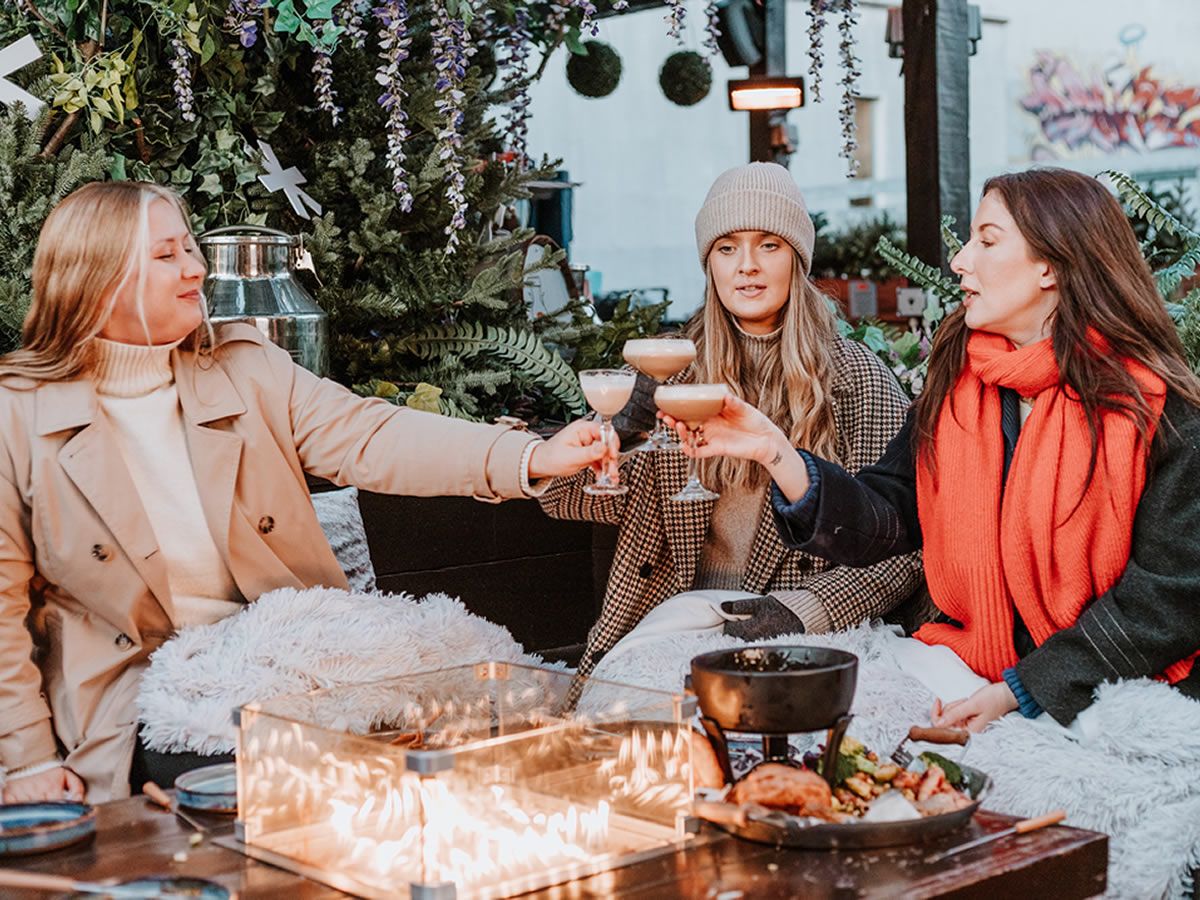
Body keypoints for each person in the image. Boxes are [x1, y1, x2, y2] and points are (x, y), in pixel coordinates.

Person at [0, 181, 612, 803]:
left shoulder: (244, 365)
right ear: (97, 276)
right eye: (166, 256)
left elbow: (369, 435)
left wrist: (531, 455)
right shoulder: (17, 415)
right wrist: (25, 763)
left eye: (189, 246)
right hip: (145, 704)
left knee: (494, 736)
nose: (195, 268)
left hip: (292, 667)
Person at [672, 167, 1200, 732]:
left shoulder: (1159, 412)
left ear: (1051, 264)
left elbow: (1167, 601)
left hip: (1115, 698)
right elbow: (890, 518)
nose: (960, 260)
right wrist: (778, 453)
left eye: (987, 241)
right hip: (970, 668)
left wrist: (1018, 691)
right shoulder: (961, 384)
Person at [540, 162, 923, 680]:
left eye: (769, 244)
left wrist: (801, 611)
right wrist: (621, 428)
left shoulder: (856, 378)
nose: (747, 265)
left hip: (808, 633)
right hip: (673, 621)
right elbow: (563, 497)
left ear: (797, 259)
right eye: (727, 248)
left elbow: (904, 549)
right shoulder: (669, 370)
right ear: (709, 265)